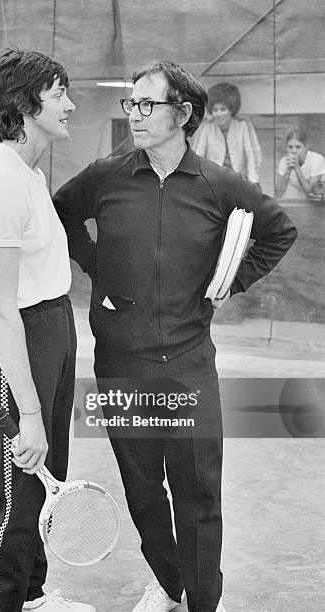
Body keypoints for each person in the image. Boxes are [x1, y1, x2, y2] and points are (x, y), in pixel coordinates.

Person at [53, 60, 297, 612]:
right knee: (142, 489)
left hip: (188, 362)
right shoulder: (108, 175)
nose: (135, 115)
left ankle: (203, 600)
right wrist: (98, 267)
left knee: (198, 492)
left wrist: (227, 284)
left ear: (183, 114)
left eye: (147, 105)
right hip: (121, 359)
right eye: (131, 104)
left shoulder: (218, 184)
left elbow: (279, 230)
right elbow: (60, 211)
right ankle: (168, 584)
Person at [0, 49, 95, 612]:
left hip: (52, 327)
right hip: (19, 336)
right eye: (60, 94)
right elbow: (2, 309)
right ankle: (4, 602)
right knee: (20, 485)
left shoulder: (28, 174)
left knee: (49, 472)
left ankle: (31, 596)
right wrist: (28, 415)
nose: (71, 104)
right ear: (26, 103)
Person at [193, 82, 261, 187]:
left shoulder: (242, 126)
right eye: (215, 110)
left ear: (231, 110)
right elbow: (198, 156)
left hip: (239, 181)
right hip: (214, 181)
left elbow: (251, 155)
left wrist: (253, 181)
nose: (219, 114)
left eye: (223, 109)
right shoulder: (207, 128)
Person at [276, 128, 325, 200]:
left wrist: (297, 169)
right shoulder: (284, 161)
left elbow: (311, 192)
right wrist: (288, 170)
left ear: (306, 147)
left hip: (319, 199)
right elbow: (279, 193)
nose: (294, 151)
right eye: (290, 147)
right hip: (302, 198)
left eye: (298, 147)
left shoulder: (316, 159)